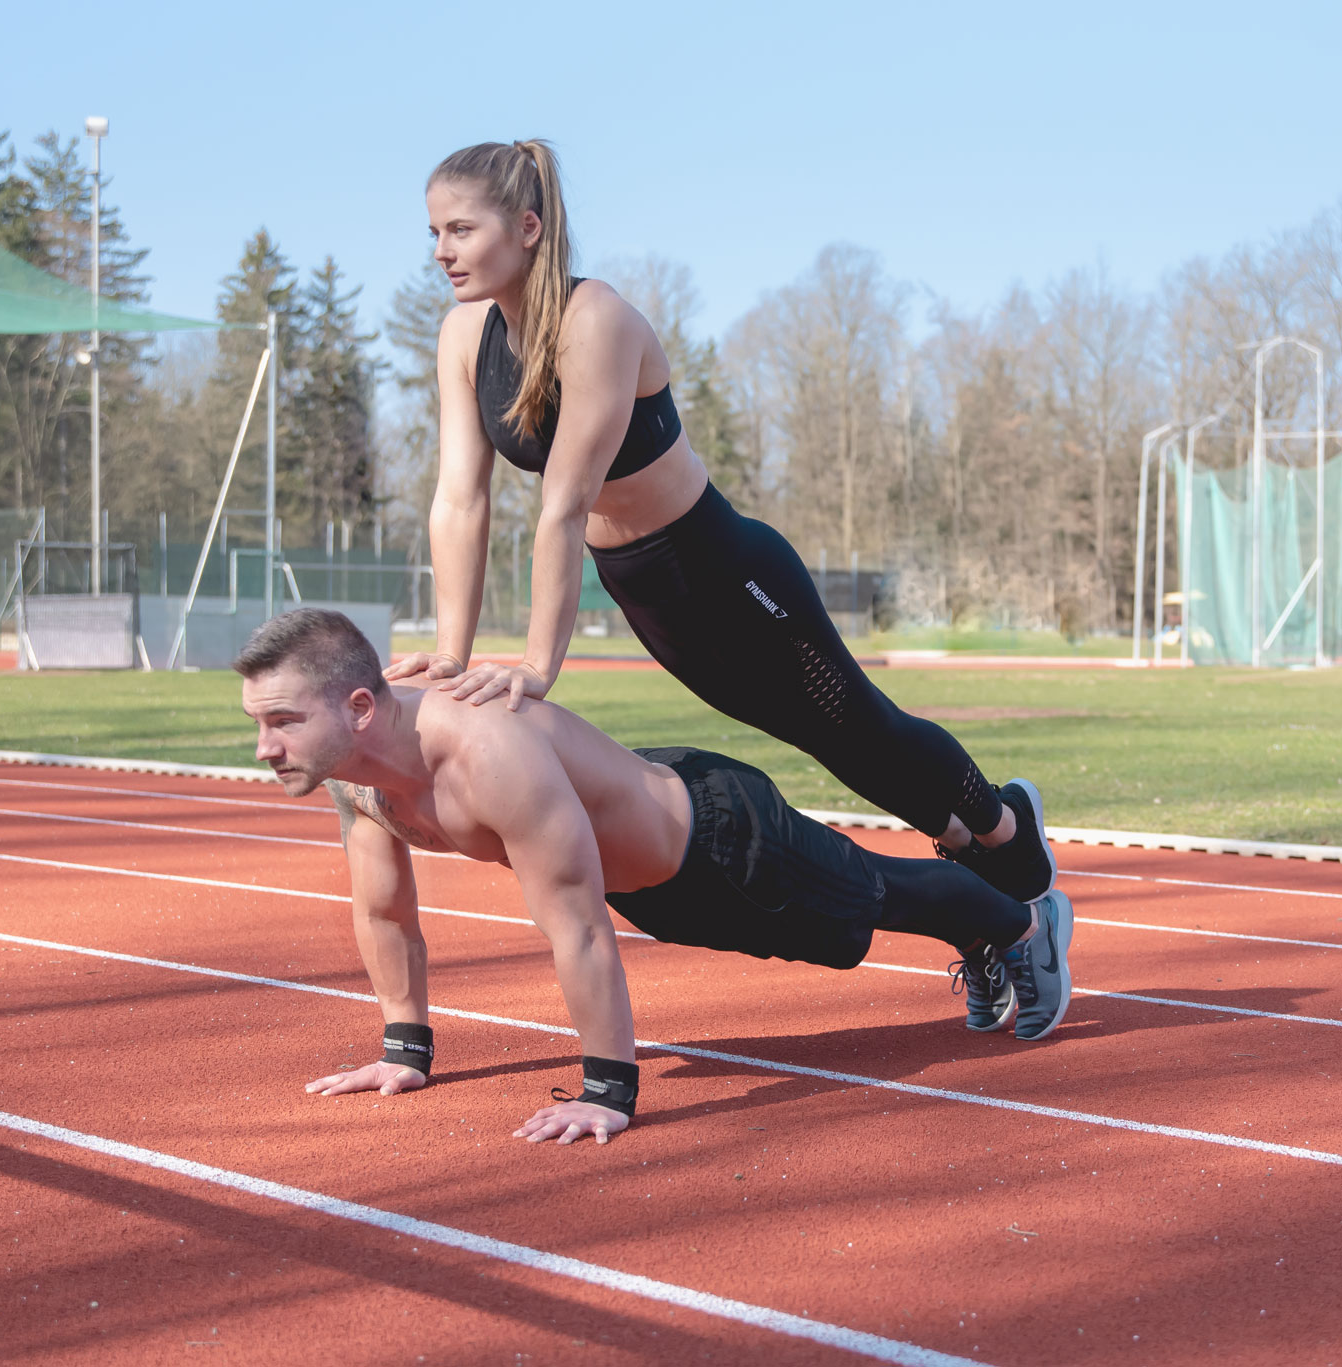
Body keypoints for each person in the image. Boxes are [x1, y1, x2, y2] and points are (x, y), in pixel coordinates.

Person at [385, 141, 1058, 1037]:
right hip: (647, 590)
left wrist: (540, 666)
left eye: (461, 228)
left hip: (726, 569)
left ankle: (1006, 833)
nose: (442, 249)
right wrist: (454, 653)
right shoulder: (464, 335)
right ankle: (989, 889)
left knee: (857, 733)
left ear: (528, 227)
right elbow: (459, 498)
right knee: (807, 738)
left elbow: (562, 506)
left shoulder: (599, 322)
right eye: (435, 231)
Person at [238, 609, 1074, 1146]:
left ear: (356, 706)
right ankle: (993, 919)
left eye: (283, 721)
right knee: (848, 921)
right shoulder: (357, 772)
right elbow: (385, 912)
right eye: (259, 724)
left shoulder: (487, 754)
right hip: (649, 876)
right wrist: (404, 1051)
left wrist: (607, 1091)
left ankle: (1019, 924)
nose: (266, 747)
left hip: (721, 841)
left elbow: (575, 925)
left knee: (871, 896)